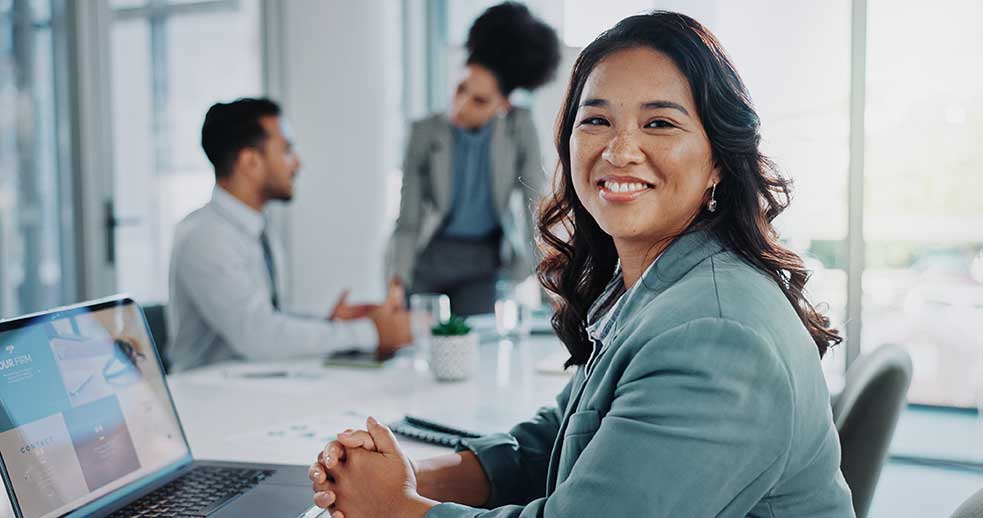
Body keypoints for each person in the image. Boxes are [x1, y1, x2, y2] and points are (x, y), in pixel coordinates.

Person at [307, 11, 856, 518]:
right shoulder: (652, 289)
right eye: (595, 120)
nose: (619, 151)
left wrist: (400, 510)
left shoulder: (714, 333)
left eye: (659, 124)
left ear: (718, 161)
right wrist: (408, 478)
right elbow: (557, 440)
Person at [167, 98, 411, 372]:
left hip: (254, 384)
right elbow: (258, 337)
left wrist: (331, 326)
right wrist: (370, 332)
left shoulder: (259, 228)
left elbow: (268, 320)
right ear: (250, 162)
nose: (297, 163)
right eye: (287, 150)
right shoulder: (205, 238)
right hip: (209, 397)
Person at [388, 2, 561, 316]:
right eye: (460, 88)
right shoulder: (424, 133)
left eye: (479, 100)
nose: (461, 106)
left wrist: (554, 293)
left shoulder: (520, 129)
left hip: (483, 264)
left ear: (504, 105)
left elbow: (534, 211)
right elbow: (408, 219)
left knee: (476, 349)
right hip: (429, 257)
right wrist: (396, 282)